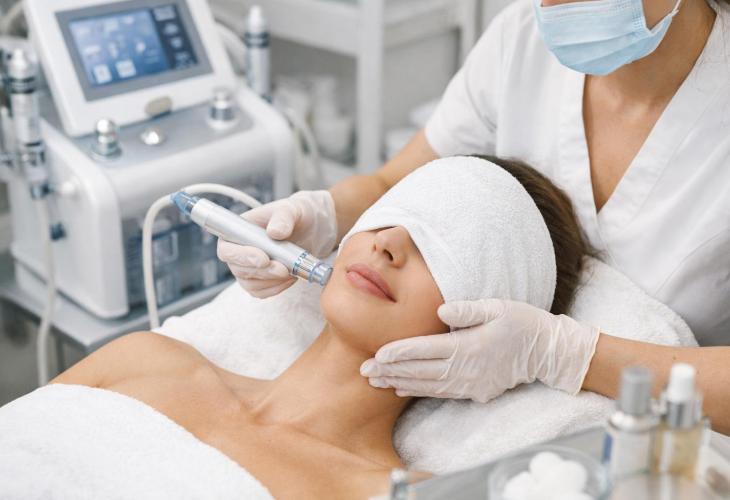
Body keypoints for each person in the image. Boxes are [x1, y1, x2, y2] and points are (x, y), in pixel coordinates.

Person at [218, 0, 730, 434]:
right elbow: (389, 183)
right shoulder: (521, 41)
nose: (555, 6)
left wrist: (561, 355)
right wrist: (325, 214)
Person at [39, 158, 584, 498]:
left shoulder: (394, 494)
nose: (388, 243)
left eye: (447, 250)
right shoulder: (143, 360)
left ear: (487, 332)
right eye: (396, 214)